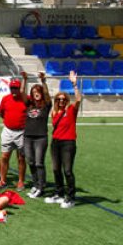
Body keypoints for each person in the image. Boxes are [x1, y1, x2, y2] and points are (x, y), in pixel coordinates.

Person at [47, 72, 82, 209]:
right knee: (56, 169)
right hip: (55, 143)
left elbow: (78, 99)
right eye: (58, 99)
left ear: (67, 100)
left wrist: (74, 84)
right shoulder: (54, 112)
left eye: (63, 99)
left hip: (68, 143)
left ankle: (71, 197)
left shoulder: (71, 110)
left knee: (67, 170)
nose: (61, 101)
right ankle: (59, 193)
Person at [23, 79, 52, 199]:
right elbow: (22, 94)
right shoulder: (29, 105)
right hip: (28, 137)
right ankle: (35, 184)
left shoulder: (46, 105)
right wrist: (24, 80)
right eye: (34, 92)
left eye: (38, 91)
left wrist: (43, 82)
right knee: (30, 161)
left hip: (41, 137)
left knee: (39, 163)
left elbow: (47, 95)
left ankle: (41, 187)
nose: (36, 94)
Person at [0, 76, 28, 189]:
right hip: (8, 131)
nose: (14, 90)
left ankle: (21, 181)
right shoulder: (5, 99)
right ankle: (3, 180)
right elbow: (2, 113)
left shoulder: (25, 99)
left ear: (20, 88)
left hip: (22, 132)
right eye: (12, 88)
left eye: (16, 88)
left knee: (21, 158)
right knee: (5, 157)